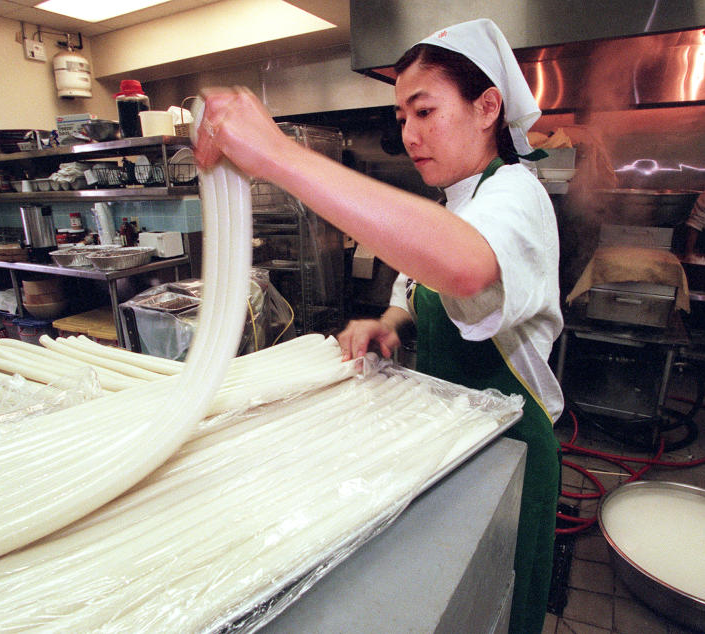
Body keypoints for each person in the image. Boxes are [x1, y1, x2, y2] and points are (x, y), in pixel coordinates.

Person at [194, 18, 563, 633]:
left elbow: (465, 267)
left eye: (424, 112)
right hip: (458, 441)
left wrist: (280, 157)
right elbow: (418, 286)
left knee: (505, 599)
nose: (409, 135)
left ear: (487, 107)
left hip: (514, 449)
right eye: (400, 118)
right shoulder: (456, 201)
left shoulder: (517, 194)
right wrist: (390, 323)